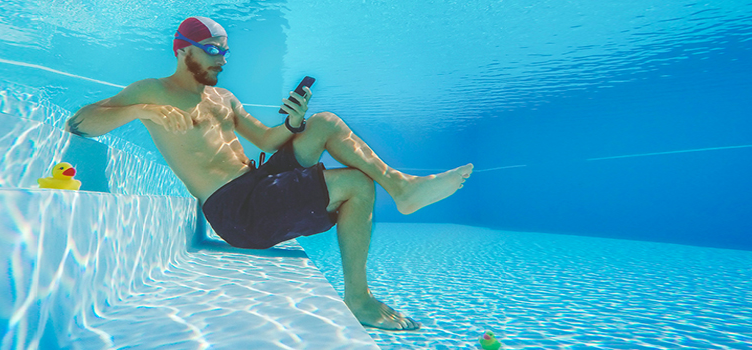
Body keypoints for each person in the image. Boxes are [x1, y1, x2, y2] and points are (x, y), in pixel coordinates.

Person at [66, 16, 473, 331]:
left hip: (257, 183)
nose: (222, 60)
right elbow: (80, 121)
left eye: (225, 51)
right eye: (212, 50)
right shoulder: (152, 90)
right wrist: (142, 111)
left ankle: (401, 188)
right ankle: (359, 298)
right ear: (181, 51)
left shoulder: (224, 98)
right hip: (235, 211)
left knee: (324, 121)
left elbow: (264, 139)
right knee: (355, 184)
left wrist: (294, 123)